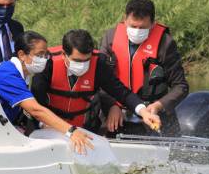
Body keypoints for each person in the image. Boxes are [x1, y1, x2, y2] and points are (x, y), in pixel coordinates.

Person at [31, 29, 161, 133]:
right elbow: (36, 99)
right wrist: (43, 123)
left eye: (86, 60)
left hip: (83, 128)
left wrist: (144, 112)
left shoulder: (99, 63)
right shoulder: (47, 64)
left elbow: (121, 92)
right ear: (64, 54)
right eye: (77, 61)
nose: (82, 65)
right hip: (47, 127)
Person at [0, 30, 93, 154]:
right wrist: (71, 131)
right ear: (22, 55)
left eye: (46, 55)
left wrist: (42, 124)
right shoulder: (7, 74)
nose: (44, 59)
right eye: (39, 55)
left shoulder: (19, 74)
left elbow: (25, 111)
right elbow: (35, 109)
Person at [99, 0, 189, 136]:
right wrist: (112, 105)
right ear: (125, 19)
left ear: (153, 23)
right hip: (116, 113)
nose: (137, 30)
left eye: (142, 27)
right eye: (133, 26)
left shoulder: (165, 44)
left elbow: (181, 87)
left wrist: (158, 105)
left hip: (154, 113)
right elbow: (99, 78)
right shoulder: (110, 37)